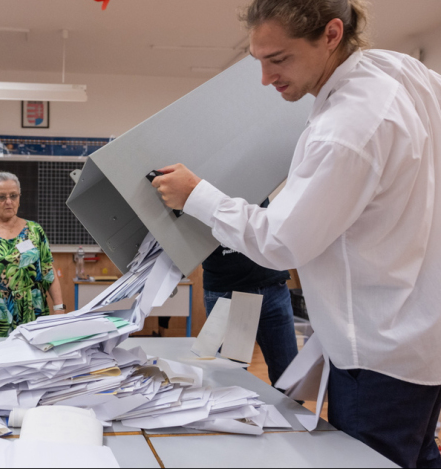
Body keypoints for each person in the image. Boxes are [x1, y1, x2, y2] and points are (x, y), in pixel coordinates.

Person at [152, 0, 441, 466]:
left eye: (279, 59)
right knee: (418, 456)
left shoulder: (348, 125)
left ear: (331, 35)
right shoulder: (401, 71)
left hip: (378, 351)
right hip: (419, 338)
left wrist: (197, 196)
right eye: (259, 60)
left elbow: (281, 241)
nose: (266, 78)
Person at [159, 200, 298, 386]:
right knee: (233, 383)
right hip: (230, 292)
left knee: (291, 381)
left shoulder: (254, 173)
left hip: (273, 285)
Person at [0, 172, 65, 337]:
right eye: (1, 197)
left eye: (13, 196)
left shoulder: (35, 231)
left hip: (32, 314)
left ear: (19, 197)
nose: (8, 202)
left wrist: (59, 309)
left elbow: (48, 271)